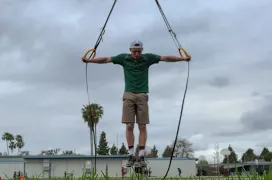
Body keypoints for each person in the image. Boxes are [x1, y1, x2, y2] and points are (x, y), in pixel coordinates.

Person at [81, 40, 191, 168]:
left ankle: (142, 156)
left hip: (142, 95)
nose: (137, 54)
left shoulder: (148, 58)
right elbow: (106, 59)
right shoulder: (124, 58)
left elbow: (165, 58)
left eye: (139, 51)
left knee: (142, 125)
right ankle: (131, 155)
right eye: (134, 51)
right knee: (129, 125)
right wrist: (89, 60)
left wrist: (183, 58)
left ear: (142, 51)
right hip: (129, 94)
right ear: (130, 50)